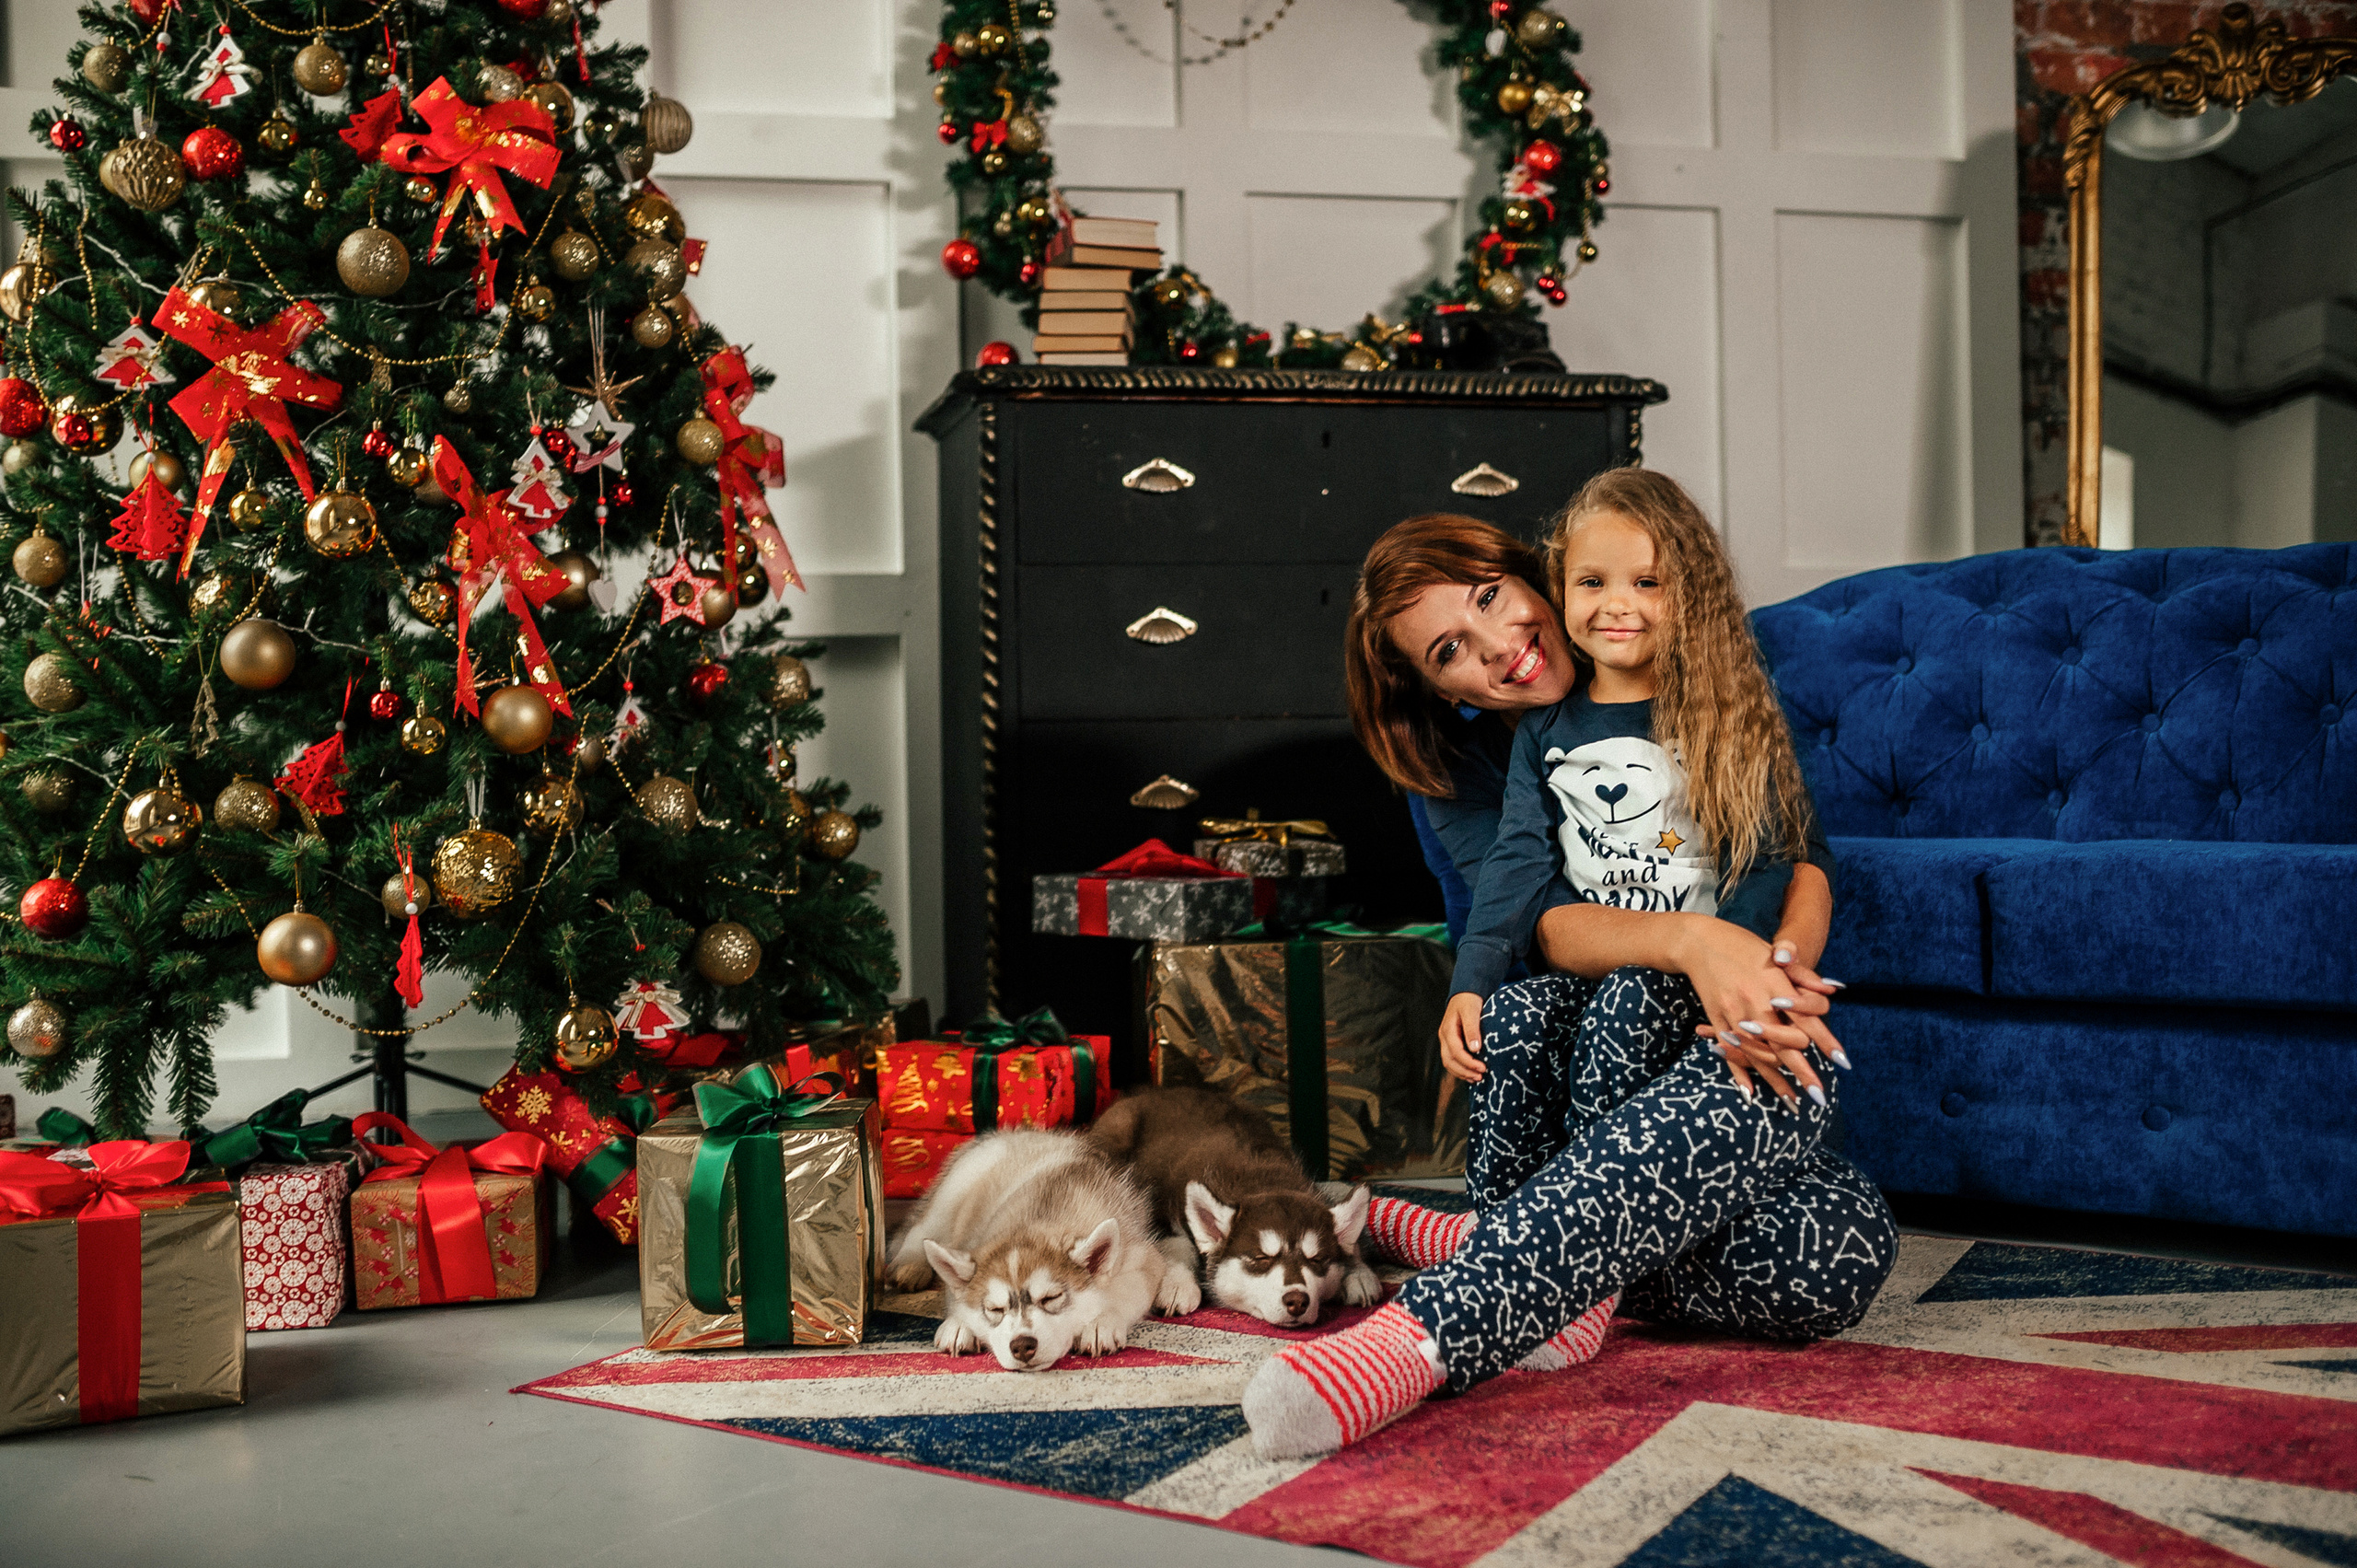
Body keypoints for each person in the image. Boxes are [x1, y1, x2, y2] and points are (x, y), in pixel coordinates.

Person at [1240, 470, 1898, 1459]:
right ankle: (1414, 1341)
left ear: (1532, 574)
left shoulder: (1710, 686)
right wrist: (1697, 942)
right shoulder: (1470, 768)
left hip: (1706, 1045)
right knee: (1620, 998)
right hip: (1563, 1053)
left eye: (1490, 597)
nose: (1497, 644)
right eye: (1450, 651)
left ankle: (1494, 1247)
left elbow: (1798, 852)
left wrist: (1771, 980)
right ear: (1436, 688)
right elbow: (1539, 919)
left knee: (1835, 1253)